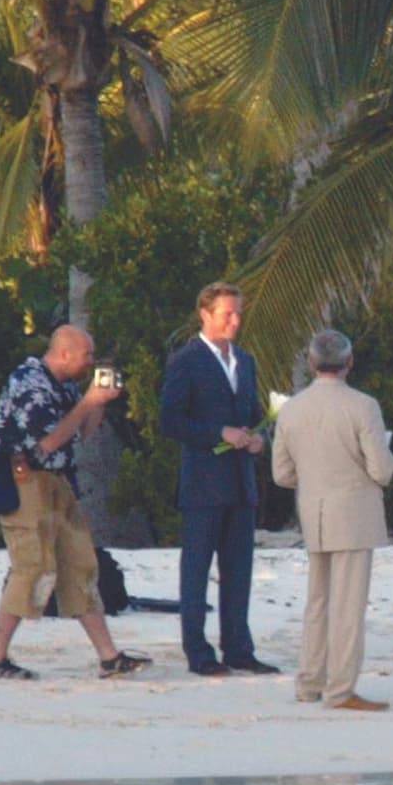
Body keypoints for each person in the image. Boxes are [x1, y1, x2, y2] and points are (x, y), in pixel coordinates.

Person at [0, 325, 151, 681]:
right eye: (87, 355)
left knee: (81, 566)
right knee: (32, 568)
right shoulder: (30, 382)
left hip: (58, 482)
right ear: (64, 353)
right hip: (25, 481)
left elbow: (83, 433)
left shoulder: (66, 385)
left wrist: (98, 404)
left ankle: (108, 656)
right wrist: (88, 401)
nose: (91, 361)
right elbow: (47, 442)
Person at [159, 281, 279, 677]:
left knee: (238, 569)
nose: (235, 320)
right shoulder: (186, 360)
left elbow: (252, 410)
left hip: (240, 480)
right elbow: (170, 420)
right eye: (227, 313)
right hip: (203, 483)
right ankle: (198, 651)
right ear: (205, 314)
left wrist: (259, 439)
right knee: (196, 570)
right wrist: (218, 433)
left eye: (238, 313)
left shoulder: (244, 360)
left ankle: (238, 647)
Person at [272, 330, 393, 711]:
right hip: (354, 510)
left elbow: (281, 474)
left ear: (311, 363)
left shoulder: (291, 409)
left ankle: (309, 681)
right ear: (349, 362)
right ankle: (340, 689)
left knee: (318, 601)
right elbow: (382, 469)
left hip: (313, 508)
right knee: (348, 605)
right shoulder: (363, 405)